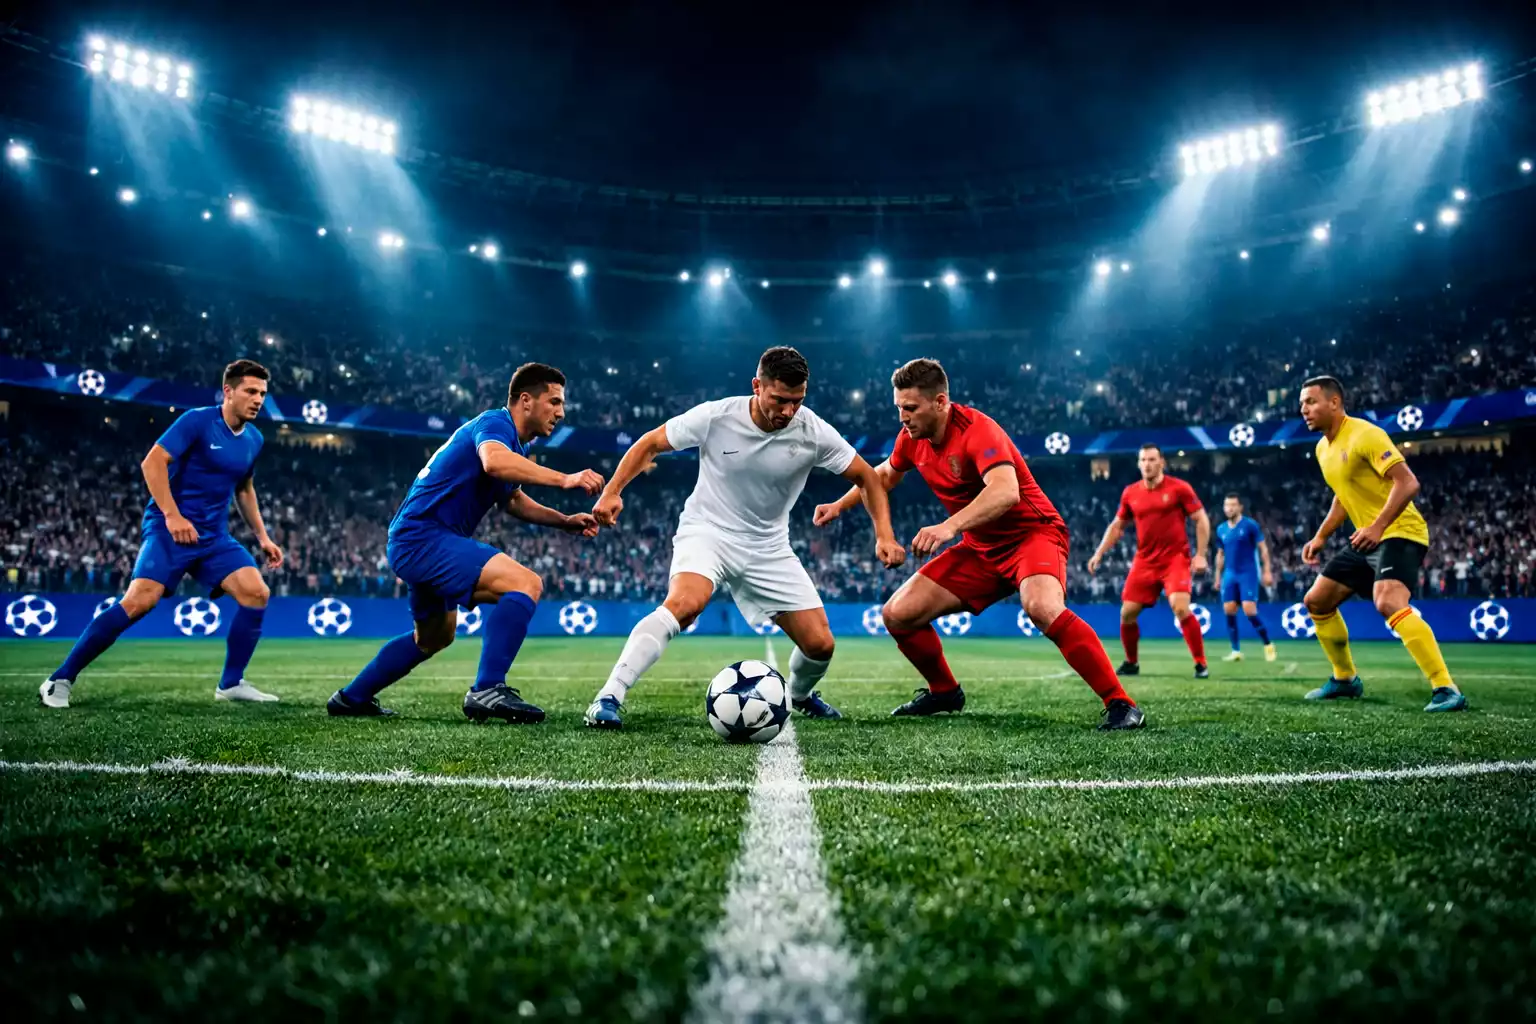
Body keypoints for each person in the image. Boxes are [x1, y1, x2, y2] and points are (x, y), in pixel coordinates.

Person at [584, 345, 904, 729]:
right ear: (757, 386)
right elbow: (650, 443)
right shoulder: (716, 417)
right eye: (780, 399)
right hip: (708, 532)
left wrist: (883, 535)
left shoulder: (813, 430)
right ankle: (608, 695)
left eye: (797, 401)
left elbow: (867, 476)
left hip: (768, 547)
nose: (788, 411)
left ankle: (799, 695)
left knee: (820, 645)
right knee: (684, 605)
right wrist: (612, 491)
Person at [816, 358, 1144, 730]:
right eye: (898, 408)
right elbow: (884, 476)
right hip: (981, 549)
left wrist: (948, 527)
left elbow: (1006, 492)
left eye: (910, 408)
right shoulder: (911, 439)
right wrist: (839, 505)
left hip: (1032, 535)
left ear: (940, 402)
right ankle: (944, 691)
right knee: (898, 614)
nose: (902, 418)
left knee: (1041, 606)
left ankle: (1121, 704)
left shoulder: (978, 430)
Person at [328, 363, 604, 720]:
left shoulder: (514, 446)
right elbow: (493, 463)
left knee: (433, 638)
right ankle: (488, 688)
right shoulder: (495, 423)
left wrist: (564, 521)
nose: (561, 412)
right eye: (554, 402)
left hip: (419, 540)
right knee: (525, 583)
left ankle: (351, 699)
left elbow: (512, 499)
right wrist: (566, 479)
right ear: (525, 400)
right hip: (424, 536)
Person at [40, 359, 285, 708]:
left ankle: (231, 684)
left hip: (213, 537)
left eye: (262, 393)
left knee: (256, 592)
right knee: (140, 601)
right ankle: (60, 679)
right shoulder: (198, 421)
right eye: (250, 391)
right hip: (169, 527)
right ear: (228, 391)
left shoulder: (254, 439)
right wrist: (173, 515)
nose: (258, 399)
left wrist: (263, 537)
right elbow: (152, 463)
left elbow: (245, 489)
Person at [1296, 376, 1467, 711]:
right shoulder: (1322, 448)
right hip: (1366, 536)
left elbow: (1407, 483)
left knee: (1387, 599)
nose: (1304, 409)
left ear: (1334, 402)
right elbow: (1343, 497)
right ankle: (1345, 680)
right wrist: (1321, 536)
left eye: (1311, 402)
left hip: (1400, 530)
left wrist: (1377, 526)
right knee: (1317, 601)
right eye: (1302, 403)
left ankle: (1446, 688)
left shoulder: (1365, 434)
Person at [1088, 444, 1212, 678]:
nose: (1147, 464)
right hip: (1145, 561)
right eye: (1143, 460)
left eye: (1152, 459)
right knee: (1127, 613)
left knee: (1180, 607)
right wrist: (1099, 552)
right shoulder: (1130, 493)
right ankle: (1131, 663)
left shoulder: (1179, 488)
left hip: (1175, 558)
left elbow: (1201, 519)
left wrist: (1201, 554)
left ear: (1162, 462)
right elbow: (1117, 526)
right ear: (1139, 464)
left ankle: (1200, 663)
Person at [1215, 493, 1277, 662]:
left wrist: (1267, 571)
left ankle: (1268, 644)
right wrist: (1217, 576)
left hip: (1247, 573)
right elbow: (1220, 554)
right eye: (1227, 505)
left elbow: (1263, 549)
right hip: (1230, 574)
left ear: (1240, 507)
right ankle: (1236, 651)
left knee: (1249, 610)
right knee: (1229, 610)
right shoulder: (1221, 529)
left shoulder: (1250, 525)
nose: (1229, 508)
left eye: (1233, 505)